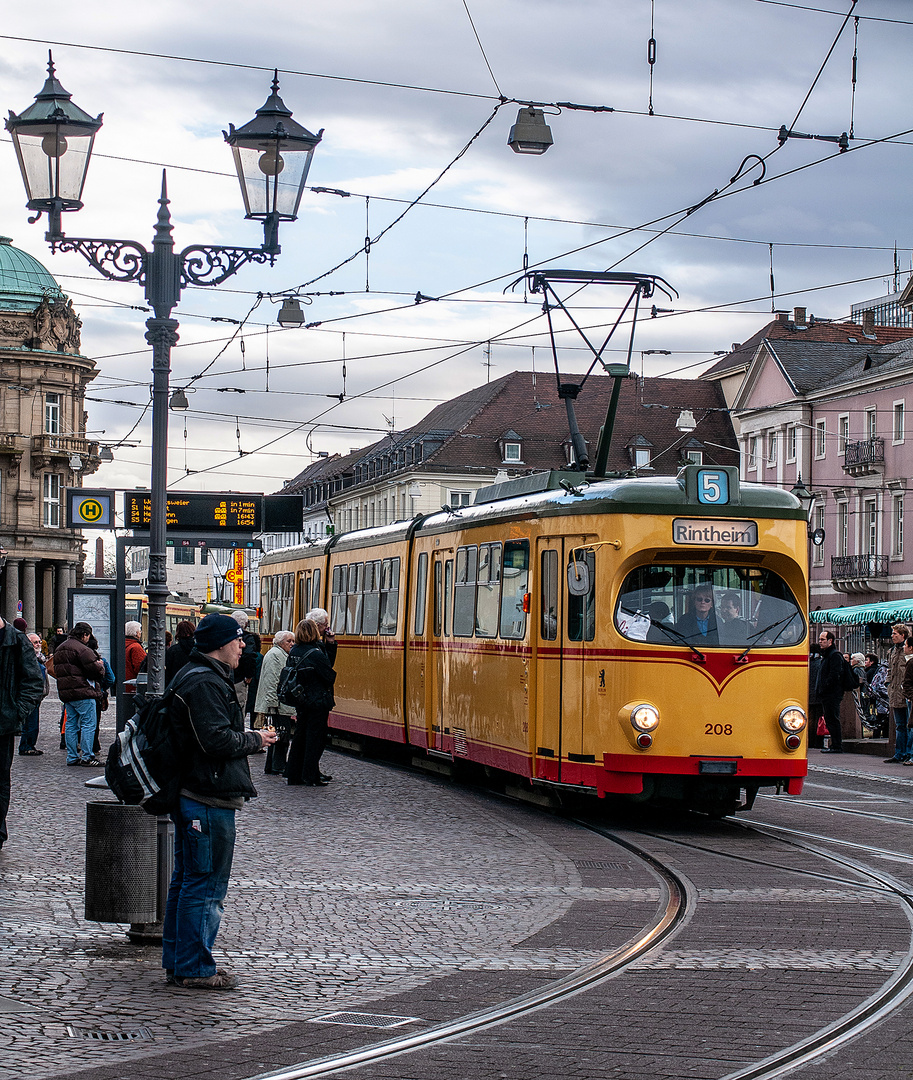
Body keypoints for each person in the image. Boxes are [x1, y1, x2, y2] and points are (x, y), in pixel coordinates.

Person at [163, 613, 277, 990]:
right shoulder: (206, 683)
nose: (243, 645)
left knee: (187, 881)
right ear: (220, 644)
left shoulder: (198, 676)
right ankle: (195, 967)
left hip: (197, 793)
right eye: (238, 639)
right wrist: (255, 740)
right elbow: (216, 741)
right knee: (206, 886)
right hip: (207, 795)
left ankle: (181, 961)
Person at [0, 616, 45, 849]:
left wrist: (16, 713)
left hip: (2, 725)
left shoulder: (16, 641)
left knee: (0, 781)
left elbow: (34, 682)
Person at [285, 619, 337, 787]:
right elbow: (329, 675)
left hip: (301, 699)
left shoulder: (294, 651)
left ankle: (293, 773)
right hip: (317, 700)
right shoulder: (315, 653)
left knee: (300, 736)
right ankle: (310, 774)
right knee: (315, 738)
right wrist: (330, 646)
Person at [54, 622, 106, 767]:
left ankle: (72, 756)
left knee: (71, 724)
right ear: (84, 635)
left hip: (67, 693)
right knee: (88, 724)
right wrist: (101, 666)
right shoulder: (82, 649)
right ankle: (87, 756)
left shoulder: (60, 648)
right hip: (83, 692)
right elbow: (96, 670)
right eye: (88, 636)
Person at [252, 630, 296, 775]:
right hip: (278, 705)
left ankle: (272, 765)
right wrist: (273, 704)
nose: (292, 644)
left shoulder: (278, 654)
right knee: (281, 736)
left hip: (278, 704)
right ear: (279, 642)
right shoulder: (276, 656)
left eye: (293, 641)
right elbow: (272, 681)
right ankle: (278, 765)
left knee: (276, 735)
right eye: (288, 641)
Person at [18, 634, 50, 756]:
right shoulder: (28, 658)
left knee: (32, 723)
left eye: (39, 642)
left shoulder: (39, 658)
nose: (38, 645)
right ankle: (26, 746)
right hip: (30, 696)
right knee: (30, 723)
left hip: (37, 696)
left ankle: (29, 745)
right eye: (35, 642)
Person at [884, 624, 911, 764]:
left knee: (909, 725)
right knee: (900, 725)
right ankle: (899, 753)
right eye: (892, 633)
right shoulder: (892, 651)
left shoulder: (909, 651)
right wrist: (888, 684)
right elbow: (889, 670)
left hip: (907, 694)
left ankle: (909, 753)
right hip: (895, 693)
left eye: (895, 633)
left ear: (903, 635)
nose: (892, 635)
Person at [815, 630, 845, 753]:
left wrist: (825, 687)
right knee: (830, 718)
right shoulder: (828, 655)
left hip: (832, 693)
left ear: (830, 641)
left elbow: (834, 674)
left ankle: (837, 745)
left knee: (833, 719)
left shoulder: (834, 655)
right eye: (820, 639)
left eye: (823, 640)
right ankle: (835, 745)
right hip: (827, 693)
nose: (820, 642)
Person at [230, 611, 260, 715]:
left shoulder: (228, 635)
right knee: (239, 706)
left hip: (227, 676)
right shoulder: (248, 638)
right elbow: (249, 655)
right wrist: (249, 675)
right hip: (240, 678)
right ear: (246, 624)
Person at [865, 653, 889, 738]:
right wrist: (889, 693)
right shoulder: (884, 669)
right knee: (882, 720)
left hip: (883, 700)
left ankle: (881, 736)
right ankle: (879, 736)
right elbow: (878, 685)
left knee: (883, 721)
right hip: (884, 701)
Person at [165, 621, 196, 686]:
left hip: (177, 686)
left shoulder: (172, 650)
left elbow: (168, 673)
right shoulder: (197, 649)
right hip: (194, 684)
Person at [124, 621, 147, 697]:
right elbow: (140, 667)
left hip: (124, 685)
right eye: (140, 631)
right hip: (133, 686)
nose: (140, 633)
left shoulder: (123, 644)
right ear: (136, 633)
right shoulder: (136, 647)